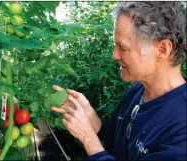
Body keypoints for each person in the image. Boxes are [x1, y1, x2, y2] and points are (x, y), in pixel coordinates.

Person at [49, 2, 186, 161]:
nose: (115, 55)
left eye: (123, 48)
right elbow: (115, 147)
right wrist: (93, 122)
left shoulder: (181, 126)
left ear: (162, 49)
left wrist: (88, 139)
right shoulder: (136, 92)